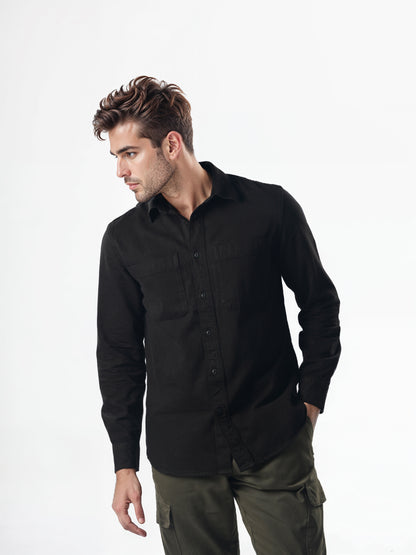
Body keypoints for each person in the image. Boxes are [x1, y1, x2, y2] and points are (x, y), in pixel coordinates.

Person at [92, 75, 341, 554]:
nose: (120, 171)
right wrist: (124, 463)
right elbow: (119, 354)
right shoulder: (123, 241)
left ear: (171, 145)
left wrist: (311, 398)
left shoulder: (269, 209)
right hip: (181, 460)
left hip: (275, 443)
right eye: (116, 157)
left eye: (130, 154)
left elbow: (320, 303)